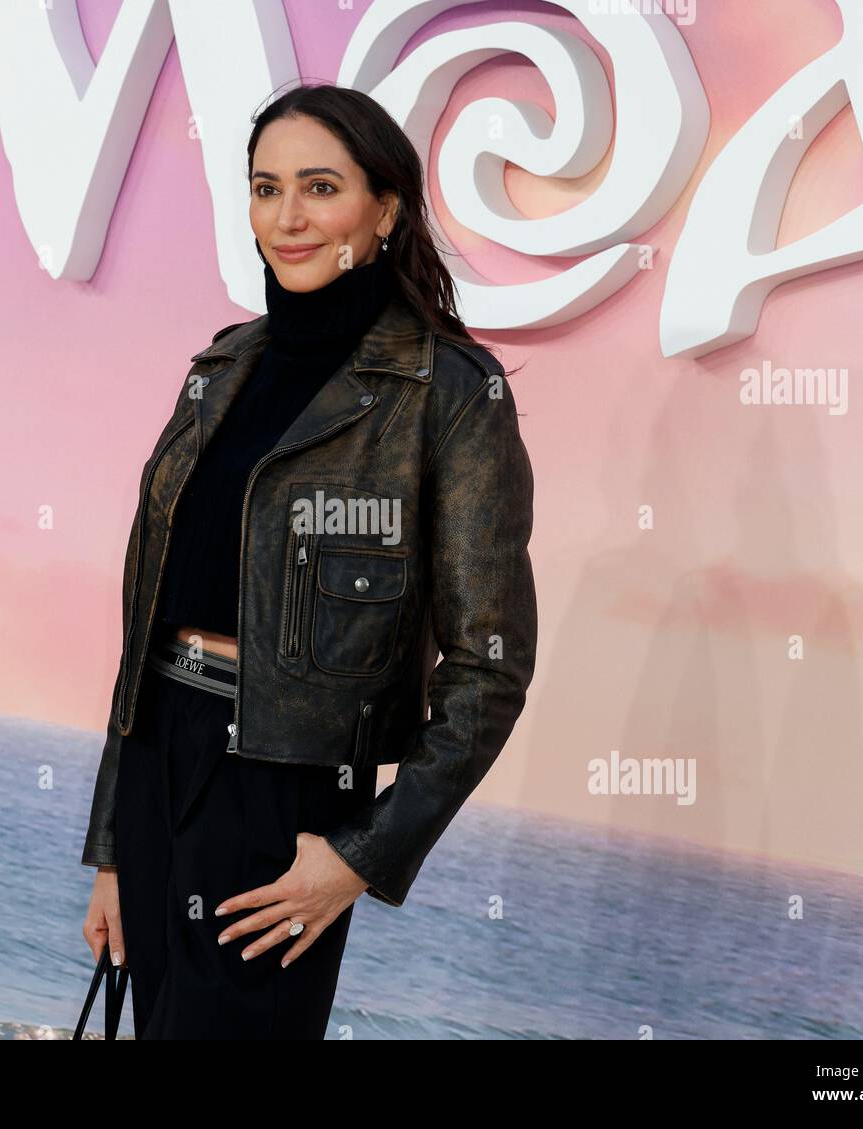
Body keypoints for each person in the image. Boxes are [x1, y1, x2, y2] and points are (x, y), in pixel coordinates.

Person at [80, 81, 537, 1039]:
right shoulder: (218, 369)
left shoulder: (451, 393)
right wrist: (115, 848)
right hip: (164, 756)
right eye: (265, 187)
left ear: (387, 209)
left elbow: (490, 670)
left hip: (284, 791)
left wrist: (361, 853)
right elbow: (144, 629)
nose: (287, 217)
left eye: (320, 187)